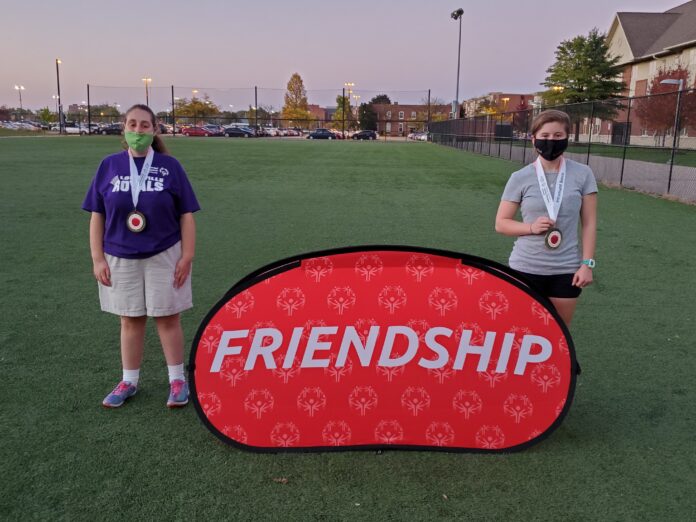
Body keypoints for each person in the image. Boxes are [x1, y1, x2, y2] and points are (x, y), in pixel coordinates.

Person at [83, 104, 200, 408]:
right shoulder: (108, 166)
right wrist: (97, 258)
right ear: (124, 128)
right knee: (130, 320)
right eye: (132, 124)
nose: (138, 130)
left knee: (167, 317)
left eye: (144, 125)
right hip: (120, 255)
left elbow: (187, 214)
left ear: (155, 130)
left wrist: (187, 256)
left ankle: (177, 381)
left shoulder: (170, 166)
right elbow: (97, 215)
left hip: (165, 253)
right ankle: (129, 381)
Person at [495, 109, 597, 327]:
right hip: (525, 267)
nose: (551, 141)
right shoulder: (520, 177)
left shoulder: (583, 174)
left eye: (558, 136)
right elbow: (501, 223)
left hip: (566, 269)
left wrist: (587, 264)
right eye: (545, 136)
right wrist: (531, 227)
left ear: (567, 138)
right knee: (522, 331)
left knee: (558, 334)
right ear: (534, 139)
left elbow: (589, 223)